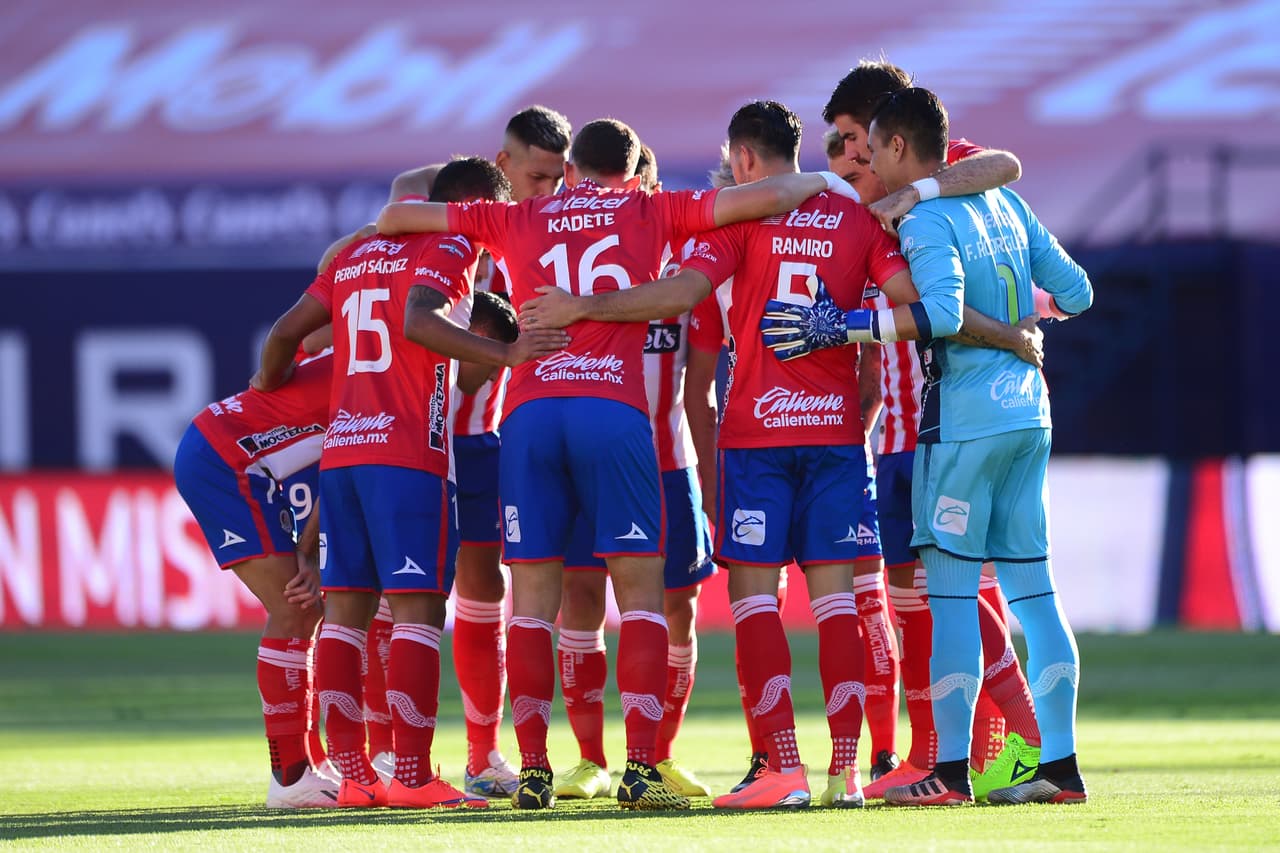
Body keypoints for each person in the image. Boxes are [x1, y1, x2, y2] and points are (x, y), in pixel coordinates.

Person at [376, 117, 861, 811]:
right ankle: (639, 765)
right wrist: (826, 180)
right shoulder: (650, 207)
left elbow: (399, 211)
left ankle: (536, 770)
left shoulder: (517, 214)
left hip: (531, 409)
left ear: (571, 169)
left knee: (534, 601)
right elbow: (767, 197)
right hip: (615, 411)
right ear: (635, 172)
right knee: (640, 596)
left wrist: (360, 242)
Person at [520, 100, 918, 811]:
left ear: (741, 160)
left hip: (758, 437)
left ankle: (783, 770)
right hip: (835, 440)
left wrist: (584, 306)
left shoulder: (739, 221)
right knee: (837, 603)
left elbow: (680, 292)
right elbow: (909, 302)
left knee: (755, 598)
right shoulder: (859, 217)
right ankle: (848, 773)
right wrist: (847, 326)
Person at [761, 86, 1092, 806]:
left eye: (871, 146)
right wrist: (1022, 327)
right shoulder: (1005, 203)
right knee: (1034, 592)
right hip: (1030, 414)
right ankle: (1059, 767)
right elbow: (1077, 292)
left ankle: (947, 771)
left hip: (962, 424)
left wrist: (836, 325)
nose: (865, 160)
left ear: (898, 146)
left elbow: (938, 313)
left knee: (946, 599)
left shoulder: (925, 215)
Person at [254, 157, 566, 809]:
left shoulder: (356, 253)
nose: (493, 228)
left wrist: (265, 391)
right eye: (492, 211)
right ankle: (415, 776)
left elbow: (284, 332)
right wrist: (508, 353)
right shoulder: (448, 245)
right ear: (471, 205)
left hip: (343, 453)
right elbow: (420, 321)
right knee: (419, 606)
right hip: (409, 454)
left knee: (346, 610)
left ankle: (354, 774)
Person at [821, 62, 1049, 801]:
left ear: (886, 138)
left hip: (948, 423)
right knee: (916, 595)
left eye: (852, 141)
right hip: (900, 431)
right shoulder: (869, 202)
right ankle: (949, 755)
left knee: (953, 593)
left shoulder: (933, 187)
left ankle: (1019, 740)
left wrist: (1012, 338)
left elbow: (1005, 164)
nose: (846, 156)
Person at [554, 142, 717, 803]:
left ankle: (656, 757)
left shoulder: (684, 273)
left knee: (679, 609)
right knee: (581, 600)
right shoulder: (571, 264)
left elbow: (701, 389)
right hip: (588, 461)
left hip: (668, 463)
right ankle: (589, 759)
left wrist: (712, 486)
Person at [450, 105, 574, 798]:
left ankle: (479, 754)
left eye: (556, 179)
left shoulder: (545, 237)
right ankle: (376, 756)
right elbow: (409, 186)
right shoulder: (464, 228)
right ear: (502, 166)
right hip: (418, 436)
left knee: (484, 589)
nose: (546, 192)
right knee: (389, 596)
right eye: (534, 176)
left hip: (482, 442)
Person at [173, 349, 334, 808]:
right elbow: (343, 470)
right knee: (296, 608)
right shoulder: (375, 377)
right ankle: (290, 778)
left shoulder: (358, 350)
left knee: (305, 610)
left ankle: (303, 769)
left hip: (230, 452)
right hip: (227, 461)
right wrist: (311, 555)